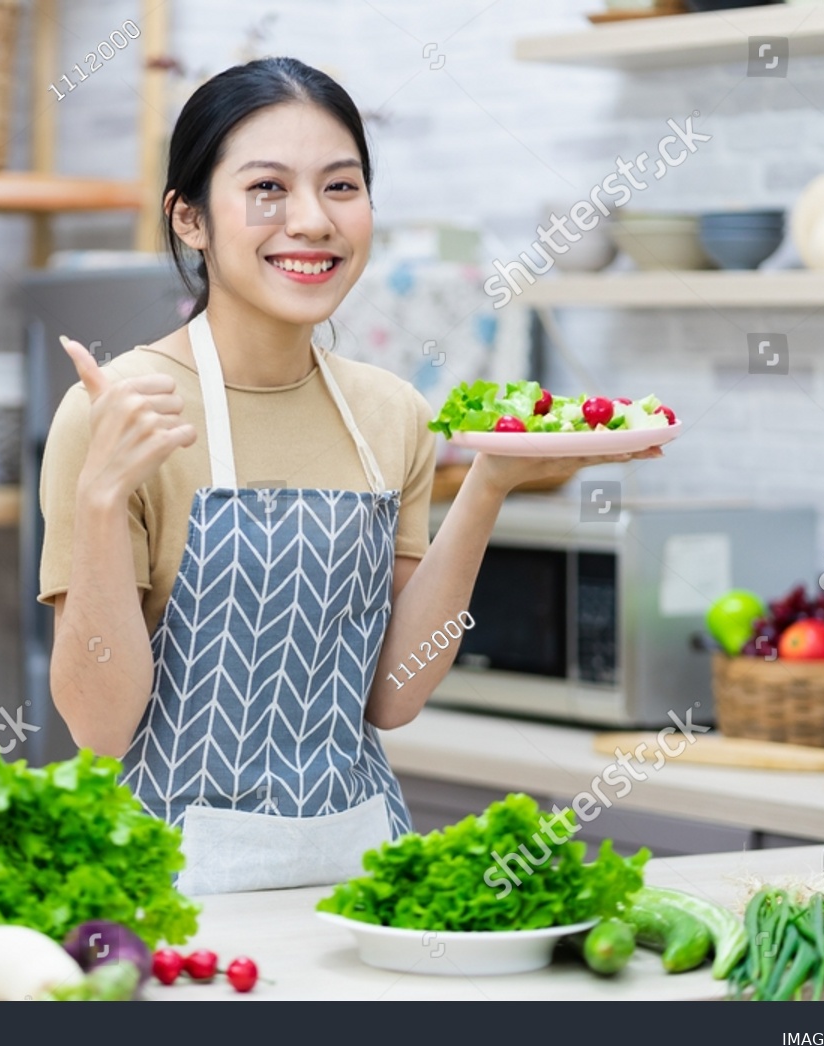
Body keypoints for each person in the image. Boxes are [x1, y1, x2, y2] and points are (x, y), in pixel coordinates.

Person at [38, 57, 661, 895]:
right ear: (189, 219)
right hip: (164, 893)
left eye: (341, 187)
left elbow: (392, 698)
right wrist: (103, 495)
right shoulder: (117, 411)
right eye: (266, 188)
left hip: (356, 880)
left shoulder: (391, 414)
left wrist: (486, 486)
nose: (312, 221)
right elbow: (99, 725)